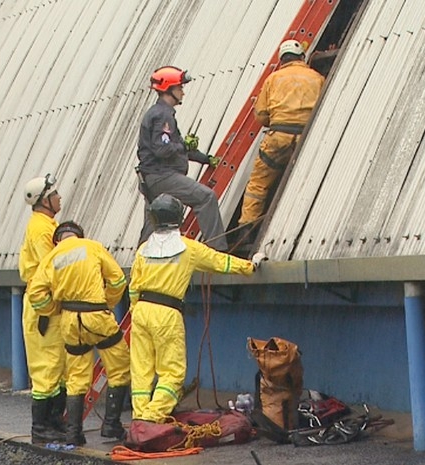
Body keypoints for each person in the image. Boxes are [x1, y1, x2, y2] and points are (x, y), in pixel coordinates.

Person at [127, 193, 267, 425]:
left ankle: (139, 417)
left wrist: (135, 311)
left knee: (141, 370)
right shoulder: (187, 248)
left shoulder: (143, 250)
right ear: (179, 218)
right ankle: (152, 418)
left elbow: (133, 286)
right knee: (172, 372)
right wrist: (251, 266)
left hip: (141, 311)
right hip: (167, 312)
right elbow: (222, 263)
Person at [28, 221, 131, 445]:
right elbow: (118, 280)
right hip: (97, 317)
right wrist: (107, 302)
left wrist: (53, 309)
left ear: (58, 239)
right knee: (120, 366)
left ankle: (74, 433)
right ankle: (111, 424)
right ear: (79, 235)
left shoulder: (51, 257)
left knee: (76, 377)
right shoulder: (92, 247)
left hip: (70, 321)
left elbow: (35, 293)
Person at [238, 39, 325, 240]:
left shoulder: (272, 79)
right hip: (307, 138)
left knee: (258, 182)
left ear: (282, 60)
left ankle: (246, 229)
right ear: (302, 57)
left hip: (278, 138)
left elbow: (261, 116)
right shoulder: (318, 78)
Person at [136, 65, 227, 251]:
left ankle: (140, 260)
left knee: (155, 220)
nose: (183, 93)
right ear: (169, 89)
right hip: (162, 176)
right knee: (206, 197)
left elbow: (173, 147)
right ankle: (219, 250)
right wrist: (184, 145)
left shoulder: (159, 114)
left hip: (151, 179)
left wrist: (205, 158)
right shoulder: (163, 115)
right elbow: (162, 149)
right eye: (180, 88)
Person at [18, 173, 67, 444]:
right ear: (44, 200)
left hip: (50, 305)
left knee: (57, 366)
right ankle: (41, 427)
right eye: (55, 194)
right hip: (42, 307)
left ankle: (53, 422)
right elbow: (51, 267)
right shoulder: (41, 229)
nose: (59, 197)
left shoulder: (48, 224)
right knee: (46, 367)